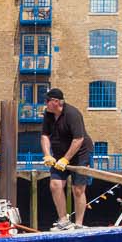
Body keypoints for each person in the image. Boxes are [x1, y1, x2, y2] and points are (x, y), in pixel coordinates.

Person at [38, 88, 92, 229]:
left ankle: (79, 224)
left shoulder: (72, 114)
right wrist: (47, 155)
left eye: (47, 101)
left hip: (80, 154)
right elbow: (45, 135)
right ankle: (63, 220)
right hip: (59, 153)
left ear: (56, 102)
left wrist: (66, 159)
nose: (45, 104)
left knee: (78, 189)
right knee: (55, 185)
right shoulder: (48, 115)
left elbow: (78, 139)